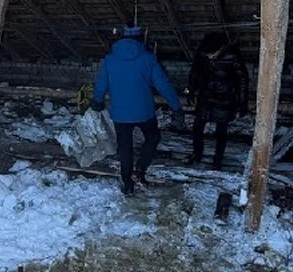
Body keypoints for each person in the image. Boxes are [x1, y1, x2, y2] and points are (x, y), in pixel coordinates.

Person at [90, 26, 184, 195]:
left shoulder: (109, 60)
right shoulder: (148, 58)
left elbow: (101, 84)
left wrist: (97, 101)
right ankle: (140, 171)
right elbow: (163, 85)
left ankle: (128, 185)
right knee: (153, 137)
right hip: (144, 112)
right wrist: (176, 108)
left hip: (120, 114)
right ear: (141, 39)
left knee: (125, 147)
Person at [186, 32, 249, 170]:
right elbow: (194, 73)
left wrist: (242, 103)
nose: (209, 57)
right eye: (207, 55)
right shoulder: (202, 53)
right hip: (205, 96)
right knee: (197, 127)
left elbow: (242, 81)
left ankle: (217, 160)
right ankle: (196, 154)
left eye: (212, 55)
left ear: (220, 49)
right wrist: (190, 91)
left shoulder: (233, 56)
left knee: (221, 132)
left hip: (225, 99)